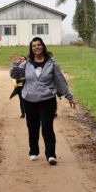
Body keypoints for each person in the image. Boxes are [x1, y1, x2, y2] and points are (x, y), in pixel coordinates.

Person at [10, 37, 75, 165]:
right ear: (31, 48)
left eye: (39, 45)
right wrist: (15, 64)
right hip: (29, 99)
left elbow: (60, 81)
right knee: (32, 126)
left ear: (43, 46)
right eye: (34, 46)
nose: (36, 47)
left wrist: (69, 96)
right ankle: (33, 151)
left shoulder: (52, 63)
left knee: (47, 127)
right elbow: (15, 76)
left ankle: (51, 154)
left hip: (47, 99)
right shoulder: (26, 64)